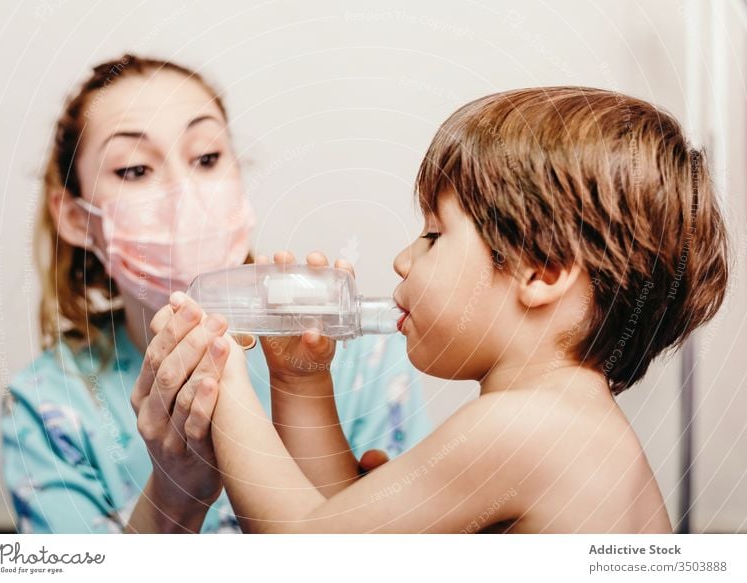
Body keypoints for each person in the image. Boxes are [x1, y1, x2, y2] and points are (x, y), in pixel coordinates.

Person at [162, 86, 729, 533]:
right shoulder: (554, 419)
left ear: (542, 272)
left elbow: (308, 552)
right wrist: (300, 381)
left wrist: (222, 375)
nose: (404, 260)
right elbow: (345, 531)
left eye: (434, 234)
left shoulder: (525, 429)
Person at [0, 53, 430, 533]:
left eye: (207, 158)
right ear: (78, 218)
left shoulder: (356, 357)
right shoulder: (48, 408)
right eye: (135, 170)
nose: (186, 195)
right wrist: (173, 494)